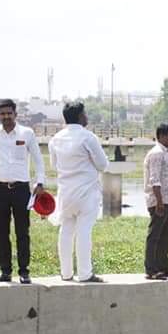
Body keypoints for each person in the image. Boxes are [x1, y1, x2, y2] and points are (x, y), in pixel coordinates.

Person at [49, 102, 109, 283]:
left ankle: (66, 273)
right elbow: (103, 165)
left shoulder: (55, 139)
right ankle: (85, 273)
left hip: (66, 192)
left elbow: (54, 165)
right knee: (84, 232)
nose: (87, 116)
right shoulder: (88, 137)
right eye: (85, 113)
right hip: (86, 193)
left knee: (66, 231)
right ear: (80, 116)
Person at [0, 99, 46, 284]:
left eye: (9, 113)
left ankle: (24, 272)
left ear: (16, 114)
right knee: (1, 232)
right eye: (2, 114)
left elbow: (38, 160)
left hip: (21, 189)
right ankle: (5, 271)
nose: (6, 116)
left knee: (22, 232)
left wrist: (40, 182)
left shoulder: (26, 133)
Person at [143, 123, 168, 281]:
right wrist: (159, 202)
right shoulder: (157, 153)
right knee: (155, 236)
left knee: (166, 235)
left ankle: (163, 266)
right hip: (160, 201)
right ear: (162, 136)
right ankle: (151, 269)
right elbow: (154, 180)